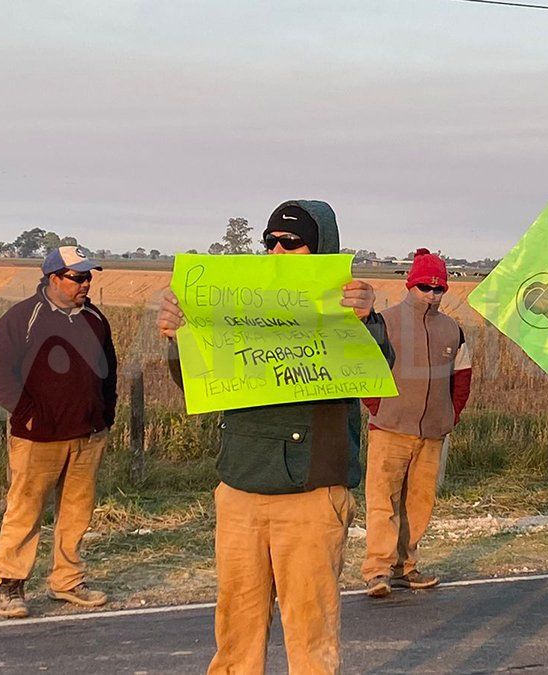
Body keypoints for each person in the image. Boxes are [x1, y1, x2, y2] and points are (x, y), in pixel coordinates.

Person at [156, 200, 393, 674]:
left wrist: (367, 321)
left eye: (292, 242)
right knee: (235, 633)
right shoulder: (238, 302)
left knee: (310, 637)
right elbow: (200, 381)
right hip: (240, 487)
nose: (278, 249)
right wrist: (177, 337)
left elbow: (378, 372)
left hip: (310, 494)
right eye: (271, 241)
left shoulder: (349, 308)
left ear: (321, 248)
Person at [0, 246, 117, 618]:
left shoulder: (94, 318)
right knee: (24, 508)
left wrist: (106, 414)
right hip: (37, 437)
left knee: (76, 511)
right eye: (77, 277)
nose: (85, 284)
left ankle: (67, 581)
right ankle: (10, 583)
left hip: (88, 435)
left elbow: (110, 371)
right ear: (53, 278)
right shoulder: (22, 318)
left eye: (88, 276)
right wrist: (27, 416)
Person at [360, 248, 471, 598]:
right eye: (425, 287)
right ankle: (377, 572)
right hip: (389, 427)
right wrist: (378, 408)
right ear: (411, 285)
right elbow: (363, 368)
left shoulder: (453, 330)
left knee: (419, 504)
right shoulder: (386, 321)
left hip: (433, 432)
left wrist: (449, 416)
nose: (432, 294)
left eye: (439, 288)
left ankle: (406, 568)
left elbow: (462, 378)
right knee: (382, 502)